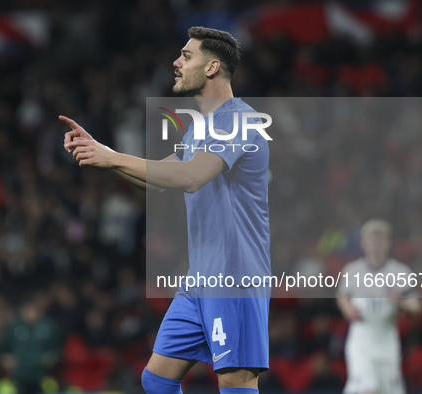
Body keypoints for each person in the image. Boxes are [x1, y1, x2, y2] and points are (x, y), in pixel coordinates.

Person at [62, 26, 271, 393]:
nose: (176, 63)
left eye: (186, 56)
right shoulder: (199, 129)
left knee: (235, 381)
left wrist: (113, 157)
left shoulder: (241, 120)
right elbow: (161, 180)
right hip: (201, 278)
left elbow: (191, 176)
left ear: (212, 67)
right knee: (156, 379)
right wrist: (104, 157)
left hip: (234, 276)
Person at [337, 219, 422, 394]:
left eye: (380, 239)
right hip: (362, 342)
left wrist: (400, 303)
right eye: (371, 239)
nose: (375, 244)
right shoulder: (352, 270)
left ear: (388, 243)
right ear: (363, 243)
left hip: (388, 344)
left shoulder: (400, 271)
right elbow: (342, 296)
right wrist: (347, 309)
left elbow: (416, 307)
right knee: (369, 389)